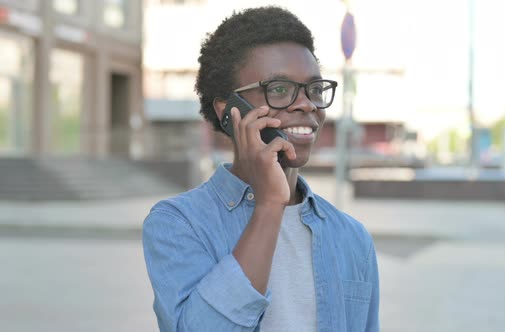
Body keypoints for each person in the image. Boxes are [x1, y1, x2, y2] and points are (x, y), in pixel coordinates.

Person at [142, 6, 379, 332]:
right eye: (279, 89)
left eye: (314, 89)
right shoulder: (178, 223)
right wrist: (268, 205)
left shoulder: (352, 238)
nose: (307, 104)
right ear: (230, 112)